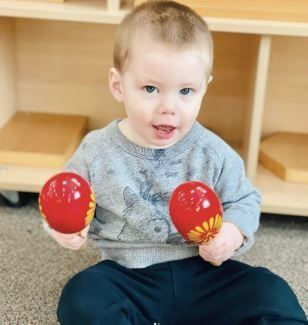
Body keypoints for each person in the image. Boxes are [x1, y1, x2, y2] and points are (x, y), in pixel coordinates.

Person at [48, 1, 307, 324]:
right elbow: (65, 197)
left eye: (186, 90)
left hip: (204, 272)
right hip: (128, 275)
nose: (169, 107)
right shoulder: (96, 150)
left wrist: (231, 234)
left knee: (271, 291)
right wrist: (65, 228)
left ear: (204, 88)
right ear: (118, 85)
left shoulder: (212, 151)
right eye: (151, 88)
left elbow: (244, 199)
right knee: (81, 296)